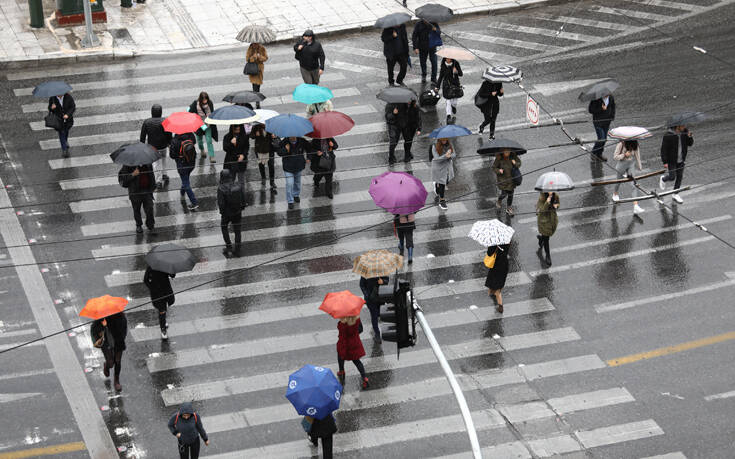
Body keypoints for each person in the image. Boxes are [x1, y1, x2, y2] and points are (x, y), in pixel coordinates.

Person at [91, 312, 127, 391]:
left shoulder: (120, 316)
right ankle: (107, 365)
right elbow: (94, 330)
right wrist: (103, 326)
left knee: (117, 361)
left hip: (118, 340)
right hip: (106, 342)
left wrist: (121, 336)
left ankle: (116, 381)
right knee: (110, 363)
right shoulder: (100, 317)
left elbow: (124, 328)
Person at [659, 124, 694, 204]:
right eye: (683, 126)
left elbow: (690, 144)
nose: (684, 127)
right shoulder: (668, 135)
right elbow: (663, 149)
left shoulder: (685, 132)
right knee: (672, 177)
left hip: (681, 160)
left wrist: (690, 137)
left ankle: (675, 194)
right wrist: (665, 161)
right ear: (677, 126)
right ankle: (663, 179)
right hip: (672, 160)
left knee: (680, 176)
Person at [140, 104, 172, 189]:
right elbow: (169, 134)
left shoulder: (147, 122)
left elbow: (142, 136)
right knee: (164, 160)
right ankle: (165, 174)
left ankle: (158, 180)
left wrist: (142, 146)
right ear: (161, 112)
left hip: (153, 147)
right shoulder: (165, 121)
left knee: (156, 164)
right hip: (163, 146)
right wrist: (169, 143)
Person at [118, 163, 156, 234]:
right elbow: (123, 180)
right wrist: (132, 175)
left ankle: (150, 224)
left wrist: (153, 186)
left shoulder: (147, 163)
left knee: (150, 208)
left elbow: (151, 174)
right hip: (135, 192)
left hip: (146, 190)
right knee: (136, 209)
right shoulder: (127, 165)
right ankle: (139, 225)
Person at [278, 136, 312, 209]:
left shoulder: (302, 141)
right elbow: (279, 152)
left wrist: (309, 157)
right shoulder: (284, 142)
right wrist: (285, 149)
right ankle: (290, 201)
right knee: (289, 183)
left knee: (297, 182)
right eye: (290, 136)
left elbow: (309, 148)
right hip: (288, 167)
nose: (292, 137)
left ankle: (296, 195)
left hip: (298, 166)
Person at [612, 140, 644, 215]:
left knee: (633, 185)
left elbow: (637, 155)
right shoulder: (621, 144)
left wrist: (640, 166)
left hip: (631, 166)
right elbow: (615, 157)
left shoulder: (635, 144)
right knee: (618, 182)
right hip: (621, 166)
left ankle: (636, 206)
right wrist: (624, 155)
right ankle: (615, 194)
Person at [336, 315, 369, 389]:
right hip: (354, 342)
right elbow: (360, 329)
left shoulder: (342, 324)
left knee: (340, 355)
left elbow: (342, 335)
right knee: (357, 361)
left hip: (345, 344)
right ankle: (364, 378)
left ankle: (341, 371)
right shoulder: (357, 319)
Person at [217, 169, 243, 257]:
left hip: (226, 214)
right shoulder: (238, 185)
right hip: (237, 212)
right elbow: (243, 198)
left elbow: (221, 203)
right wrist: (241, 208)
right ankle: (238, 250)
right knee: (237, 231)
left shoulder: (221, 188)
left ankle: (229, 247)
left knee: (224, 228)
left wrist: (222, 212)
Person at [143, 266, 175, 339]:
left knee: (164, 308)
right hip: (158, 293)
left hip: (165, 291)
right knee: (162, 310)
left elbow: (172, 275)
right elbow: (146, 280)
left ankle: (163, 321)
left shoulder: (165, 266)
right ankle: (163, 329)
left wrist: (172, 270)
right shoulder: (152, 267)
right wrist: (152, 288)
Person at [170, 132, 199, 210]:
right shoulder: (191, 135)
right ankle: (182, 193)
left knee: (186, 183)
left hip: (182, 165)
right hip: (191, 163)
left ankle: (194, 203)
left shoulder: (175, 140)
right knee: (185, 179)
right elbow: (194, 144)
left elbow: (172, 156)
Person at [188, 92, 219, 163]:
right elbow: (190, 112)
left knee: (209, 140)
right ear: (200, 99)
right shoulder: (195, 104)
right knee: (199, 140)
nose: (205, 101)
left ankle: (212, 156)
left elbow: (212, 112)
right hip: (199, 125)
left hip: (208, 124)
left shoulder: (210, 103)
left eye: (206, 99)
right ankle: (202, 150)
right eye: (203, 99)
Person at [223, 124, 249, 206]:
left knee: (241, 182)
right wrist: (231, 143)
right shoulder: (227, 136)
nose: (237, 131)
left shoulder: (244, 136)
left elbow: (246, 147)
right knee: (231, 182)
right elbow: (225, 148)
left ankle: (243, 201)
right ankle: (231, 200)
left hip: (241, 162)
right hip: (231, 162)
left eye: (238, 129)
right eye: (235, 129)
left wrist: (243, 155)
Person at [359, 275, 388, 342]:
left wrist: (383, 281)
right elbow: (361, 285)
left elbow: (387, 280)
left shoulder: (381, 269)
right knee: (374, 315)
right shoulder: (366, 272)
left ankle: (376, 323)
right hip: (371, 299)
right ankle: (377, 333)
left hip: (380, 297)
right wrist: (367, 295)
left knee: (379, 313)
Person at [492, 149, 522, 215]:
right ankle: (499, 200)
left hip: (512, 179)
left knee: (511, 194)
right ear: (502, 151)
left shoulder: (513, 155)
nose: (507, 153)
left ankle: (509, 208)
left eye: (508, 151)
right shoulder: (499, 157)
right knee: (504, 194)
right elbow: (494, 167)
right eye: (505, 152)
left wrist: (515, 163)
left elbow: (519, 164)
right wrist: (499, 170)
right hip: (503, 180)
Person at [588, 94, 615, 162]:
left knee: (604, 139)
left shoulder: (611, 97)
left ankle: (599, 154)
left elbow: (613, 107)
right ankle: (593, 153)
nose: (606, 96)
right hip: (598, 122)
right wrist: (601, 109)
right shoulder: (596, 99)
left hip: (606, 122)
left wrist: (612, 116)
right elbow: (591, 110)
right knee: (601, 139)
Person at [412, 20, 440, 84]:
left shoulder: (434, 23)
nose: (426, 21)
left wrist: (436, 30)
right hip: (422, 47)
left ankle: (434, 78)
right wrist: (415, 47)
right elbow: (414, 36)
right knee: (423, 62)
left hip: (432, 46)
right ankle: (424, 75)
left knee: (434, 62)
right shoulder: (418, 24)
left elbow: (439, 32)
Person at [250, 124, 277, 191]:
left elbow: (277, 135)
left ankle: (272, 181)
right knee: (261, 165)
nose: (264, 124)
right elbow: (251, 136)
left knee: (271, 165)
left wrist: (274, 136)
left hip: (269, 149)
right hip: (260, 149)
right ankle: (263, 178)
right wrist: (255, 134)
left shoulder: (271, 125)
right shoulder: (256, 127)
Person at [47, 92, 75, 157]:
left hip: (68, 119)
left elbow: (73, 107)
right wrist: (52, 108)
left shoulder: (68, 97)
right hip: (58, 120)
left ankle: (65, 141)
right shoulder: (53, 98)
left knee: (66, 131)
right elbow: (49, 108)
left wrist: (67, 114)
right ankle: (64, 149)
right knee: (61, 132)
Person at [436, 58, 463, 124]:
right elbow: (441, 77)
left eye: (449, 58)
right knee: (448, 101)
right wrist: (437, 86)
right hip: (447, 86)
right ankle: (448, 116)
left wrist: (456, 71)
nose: (447, 60)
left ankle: (453, 106)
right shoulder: (443, 65)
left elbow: (461, 74)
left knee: (454, 101)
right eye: (446, 58)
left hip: (455, 85)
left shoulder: (455, 63)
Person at [431, 138, 455, 210]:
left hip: (447, 167)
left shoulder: (450, 145)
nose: (444, 141)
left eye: (446, 140)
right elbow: (437, 158)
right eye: (443, 140)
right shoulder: (434, 146)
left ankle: (436, 185)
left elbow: (454, 154)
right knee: (442, 183)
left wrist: (450, 155)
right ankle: (442, 201)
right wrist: (446, 156)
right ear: (439, 140)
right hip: (439, 168)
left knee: (446, 181)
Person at [536, 192, 559, 266]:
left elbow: (558, 205)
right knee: (546, 238)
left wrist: (556, 205)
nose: (551, 192)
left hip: (552, 219)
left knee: (546, 235)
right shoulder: (541, 197)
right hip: (543, 220)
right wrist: (547, 202)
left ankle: (541, 239)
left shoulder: (555, 195)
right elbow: (542, 210)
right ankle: (548, 256)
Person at [485, 244, 509, 313]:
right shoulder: (506, 241)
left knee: (497, 289)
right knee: (499, 282)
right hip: (504, 264)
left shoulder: (493, 244)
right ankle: (492, 292)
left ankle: (500, 305)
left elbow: (489, 253)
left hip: (496, 265)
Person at [245, 42, 268, 108]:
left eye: (256, 43)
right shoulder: (250, 49)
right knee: (254, 85)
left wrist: (259, 57)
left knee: (258, 85)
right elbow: (247, 59)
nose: (255, 45)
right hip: (252, 69)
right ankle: (257, 101)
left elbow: (266, 58)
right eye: (254, 43)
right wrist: (253, 57)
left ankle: (257, 99)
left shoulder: (262, 48)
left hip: (259, 70)